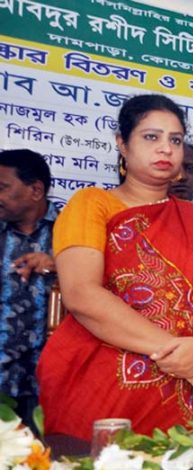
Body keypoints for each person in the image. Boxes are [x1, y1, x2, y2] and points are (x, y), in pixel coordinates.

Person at [37, 95, 193, 441]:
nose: (165, 149)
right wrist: (182, 355)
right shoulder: (92, 204)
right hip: (101, 389)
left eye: (175, 140)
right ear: (122, 144)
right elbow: (81, 294)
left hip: (189, 389)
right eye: (151, 137)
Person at [0, 149, 57, 431]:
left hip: (52, 380)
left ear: (35, 190)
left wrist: (60, 265)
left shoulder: (75, 230)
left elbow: (109, 281)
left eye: (2, 187)